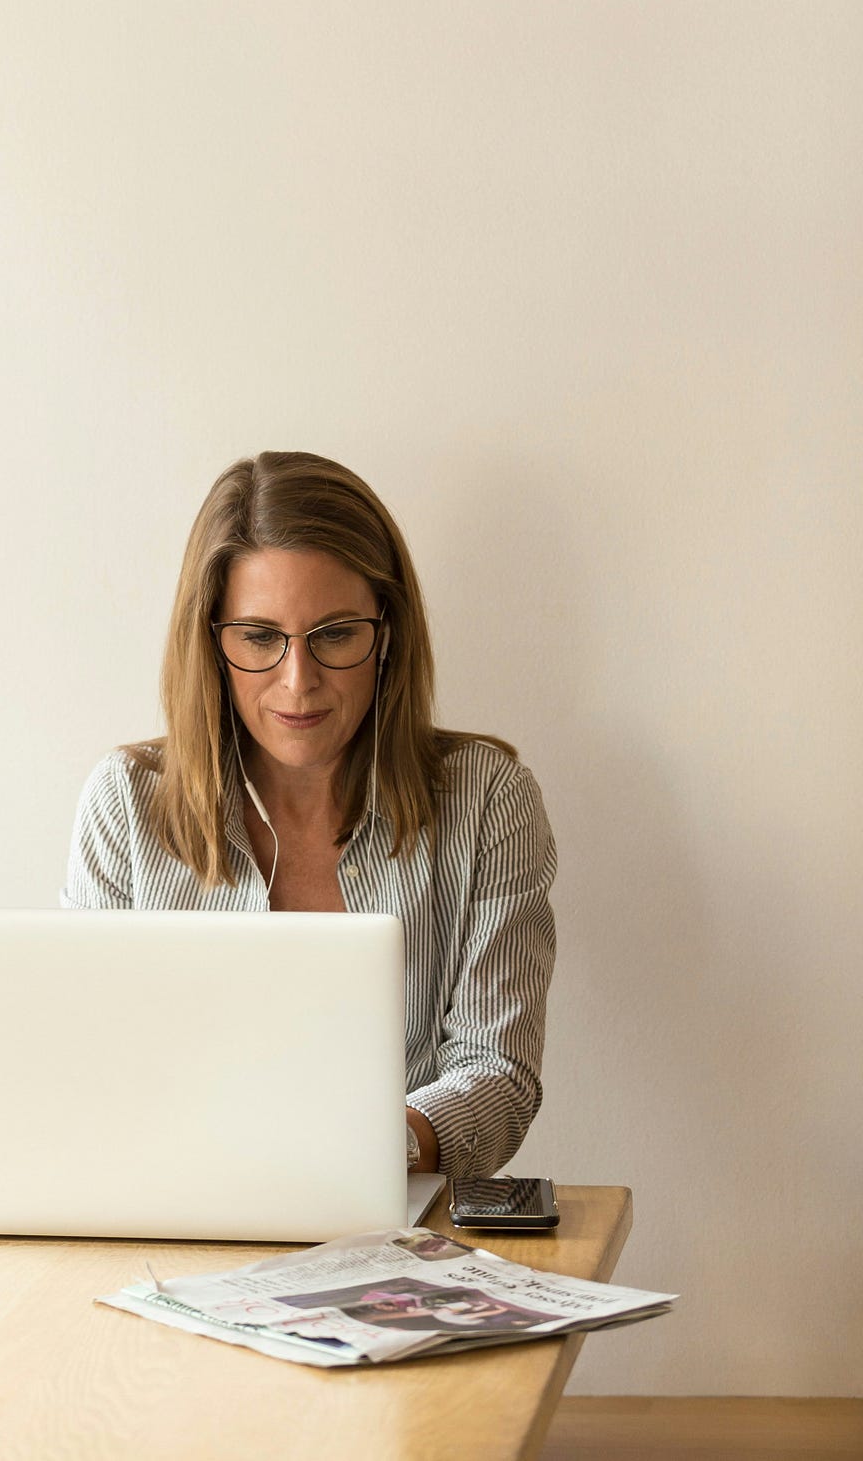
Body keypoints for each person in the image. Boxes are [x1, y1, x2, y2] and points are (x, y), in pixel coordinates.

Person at [61, 451, 557, 1180]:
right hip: (171, 1219)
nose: (299, 682)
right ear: (212, 641)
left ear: (386, 632)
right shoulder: (125, 804)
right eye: (260, 638)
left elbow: (498, 1074)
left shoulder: (487, 800)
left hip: (397, 1232)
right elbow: (85, 1069)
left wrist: (367, 1150)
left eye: (334, 634)